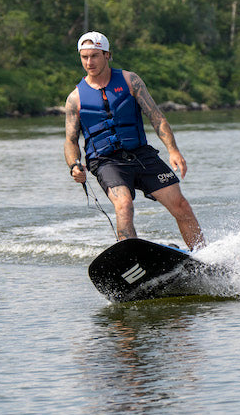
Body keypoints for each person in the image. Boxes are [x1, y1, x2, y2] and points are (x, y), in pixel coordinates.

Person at [64, 31, 206, 251]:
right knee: (124, 205)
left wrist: (173, 150)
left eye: (94, 56)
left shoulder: (131, 81)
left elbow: (156, 117)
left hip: (141, 154)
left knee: (181, 205)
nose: (89, 62)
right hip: (106, 161)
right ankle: (130, 258)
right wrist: (74, 165)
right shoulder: (76, 98)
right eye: (84, 57)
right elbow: (71, 141)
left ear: (107, 55)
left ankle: (203, 257)